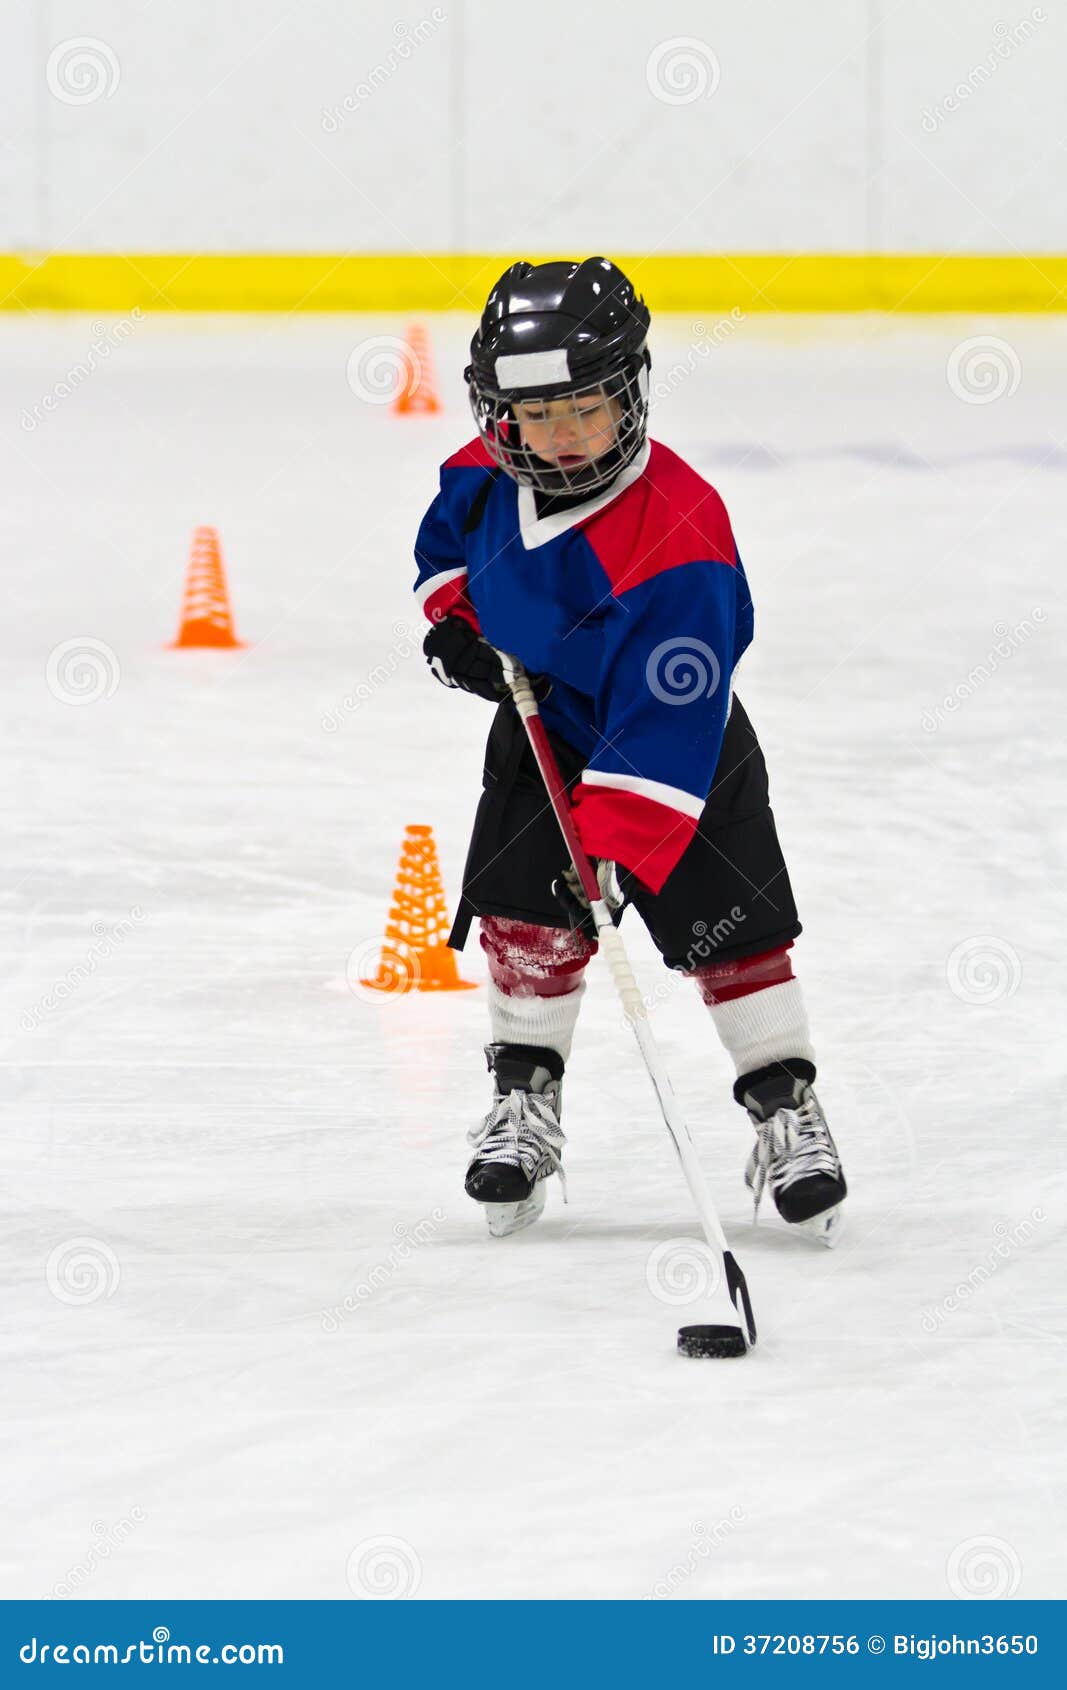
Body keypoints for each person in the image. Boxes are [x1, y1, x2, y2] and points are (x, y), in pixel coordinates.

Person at [413, 257, 846, 1242]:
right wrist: (457, 623)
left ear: (630, 395)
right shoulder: (488, 472)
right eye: (535, 414)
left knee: (731, 930)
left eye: (584, 409)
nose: (558, 435)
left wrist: (609, 845)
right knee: (523, 915)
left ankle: (783, 1104)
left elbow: (666, 716)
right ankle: (524, 1103)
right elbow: (446, 549)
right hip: (542, 726)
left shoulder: (679, 534)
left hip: (676, 758)